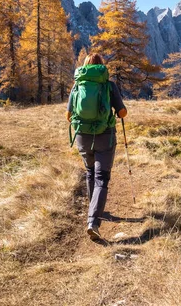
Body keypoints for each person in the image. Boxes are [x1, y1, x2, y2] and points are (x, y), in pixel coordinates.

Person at [66, 53, 127, 240]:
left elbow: (68, 116)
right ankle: (93, 221)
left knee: (90, 172)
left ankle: (94, 210)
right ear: (102, 68)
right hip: (104, 135)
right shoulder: (109, 85)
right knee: (102, 177)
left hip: (82, 136)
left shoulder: (78, 85)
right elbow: (122, 112)